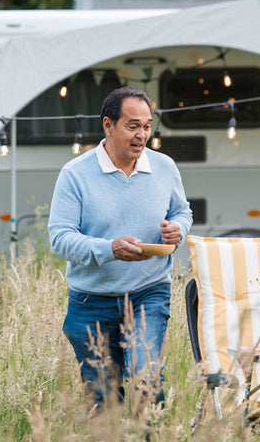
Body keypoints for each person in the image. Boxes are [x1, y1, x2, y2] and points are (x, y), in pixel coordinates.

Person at [48, 86, 192, 409]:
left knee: (146, 377)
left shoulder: (165, 168)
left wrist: (177, 229)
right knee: (103, 399)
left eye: (146, 126)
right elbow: (59, 238)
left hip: (148, 291)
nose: (142, 134)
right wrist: (109, 249)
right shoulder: (75, 175)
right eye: (132, 126)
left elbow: (182, 211)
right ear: (108, 126)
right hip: (90, 301)